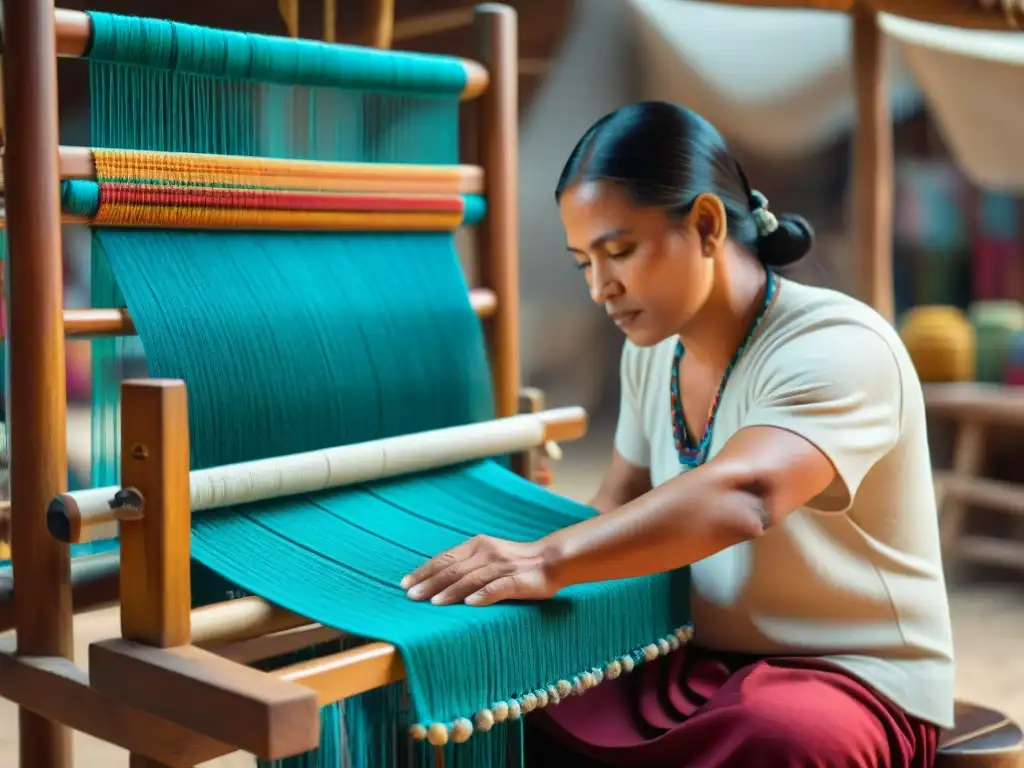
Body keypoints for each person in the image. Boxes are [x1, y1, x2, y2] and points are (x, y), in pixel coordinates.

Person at [401, 101, 954, 767]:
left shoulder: (839, 345)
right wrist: (496, 585)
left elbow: (745, 494)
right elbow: (617, 506)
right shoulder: (652, 353)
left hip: (849, 676)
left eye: (621, 251)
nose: (602, 288)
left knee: (779, 738)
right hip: (693, 659)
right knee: (494, 702)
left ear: (705, 224)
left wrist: (545, 559)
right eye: (583, 263)